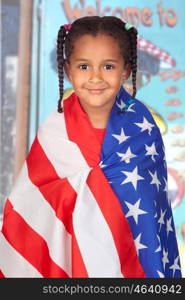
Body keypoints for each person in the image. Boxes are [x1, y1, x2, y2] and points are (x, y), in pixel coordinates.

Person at [0, 16, 181, 278]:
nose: (95, 77)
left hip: (134, 265)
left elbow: (152, 214)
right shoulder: (55, 131)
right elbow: (30, 207)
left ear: (126, 71)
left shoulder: (143, 128)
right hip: (71, 266)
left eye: (108, 66)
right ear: (68, 70)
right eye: (84, 66)